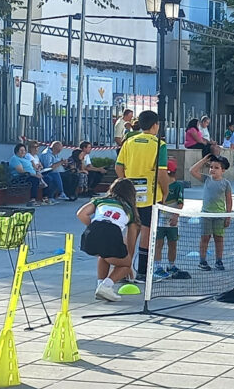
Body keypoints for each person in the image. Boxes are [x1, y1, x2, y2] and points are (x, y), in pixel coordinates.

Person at [116, 109, 170, 282]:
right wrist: (166, 192)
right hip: (151, 196)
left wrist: (124, 182)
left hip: (130, 195)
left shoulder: (129, 142)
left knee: (131, 232)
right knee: (146, 232)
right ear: (155, 125)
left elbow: (118, 166)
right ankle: (143, 272)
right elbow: (162, 173)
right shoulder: (159, 144)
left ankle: (123, 271)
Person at [77, 178, 140, 302]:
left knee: (104, 255)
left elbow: (81, 214)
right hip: (111, 232)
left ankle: (100, 285)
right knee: (125, 265)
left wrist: (92, 227)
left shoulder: (100, 200)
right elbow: (131, 239)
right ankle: (106, 286)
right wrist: (128, 260)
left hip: (90, 234)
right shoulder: (130, 210)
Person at [189, 154, 233, 271]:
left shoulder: (226, 184)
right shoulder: (206, 179)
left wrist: (228, 216)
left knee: (219, 238)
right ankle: (202, 261)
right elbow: (192, 171)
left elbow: (229, 201)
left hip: (220, 216)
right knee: (205, 238)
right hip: (206, 215)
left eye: (216, 168)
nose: (212, 170)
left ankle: (219, 261)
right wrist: (204, 160)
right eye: (211, 167)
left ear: (223, 170)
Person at [153, 160, 184, 280]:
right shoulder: (158, 186)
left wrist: (176, 216)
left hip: (172, 222)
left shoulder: (177, 186)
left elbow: (180, 203)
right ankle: (157, 266)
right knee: (158, 244)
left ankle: (171, 265)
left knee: (172, 244)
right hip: (160, 220)